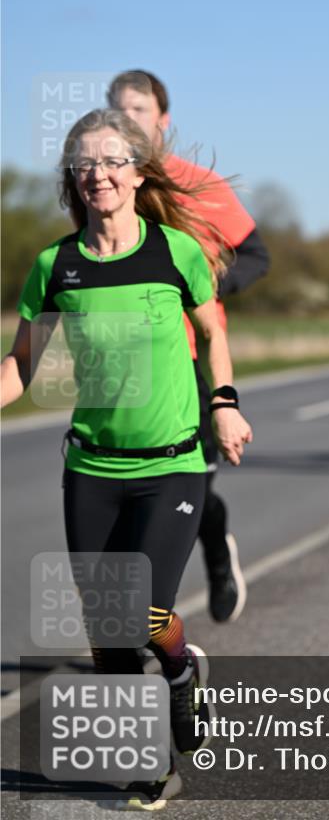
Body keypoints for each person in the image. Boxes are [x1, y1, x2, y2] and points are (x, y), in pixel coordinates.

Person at [0, 109, 253, 808]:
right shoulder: (56, 266)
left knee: (142, 611)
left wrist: (224, 402)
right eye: (84, 164)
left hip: (170, 463)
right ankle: (151, 764)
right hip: (90, 471)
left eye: (112, 161)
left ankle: (179, 674)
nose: (97, 174)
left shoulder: (176, 252)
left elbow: (213, 330)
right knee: (108, 636)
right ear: (71, 180)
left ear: (138, 174)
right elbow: (21, 366)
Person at [107, 70, 270, 623]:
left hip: (191, 357)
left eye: (138, 110)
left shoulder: (195, 183)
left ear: (162, 119)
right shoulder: (100, 187)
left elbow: (256, 255)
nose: (127, 119)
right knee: (127, 493)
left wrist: (205, 285)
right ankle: (139, 627)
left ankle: (217, 556)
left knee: (190, 487)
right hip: (123, 363)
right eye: (117, 110)